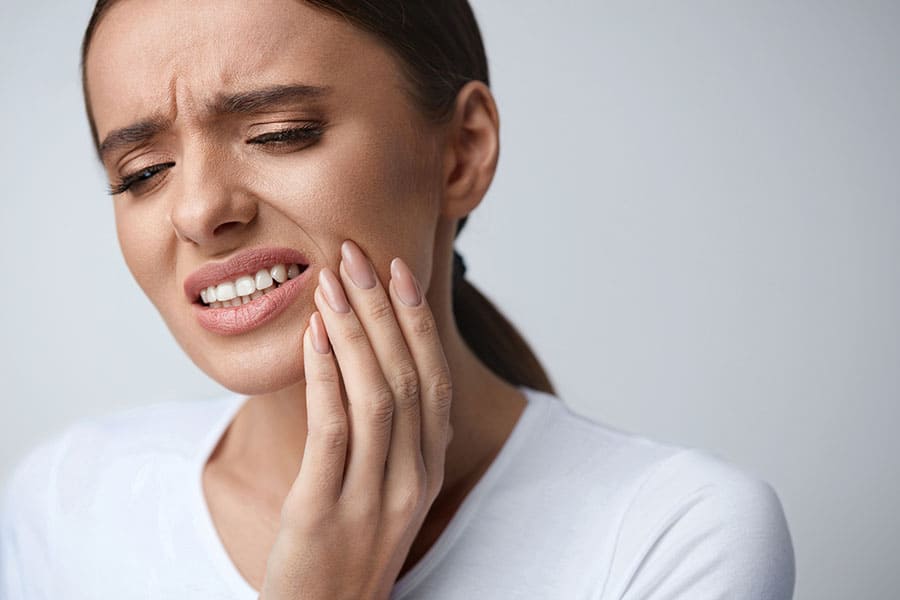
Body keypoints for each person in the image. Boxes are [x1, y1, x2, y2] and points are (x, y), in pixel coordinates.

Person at [0, 1, 796, 598]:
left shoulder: (672, 533)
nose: (199, 211)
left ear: (462, 152)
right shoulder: (70, 499)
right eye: (142, 173)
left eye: (279, 132)